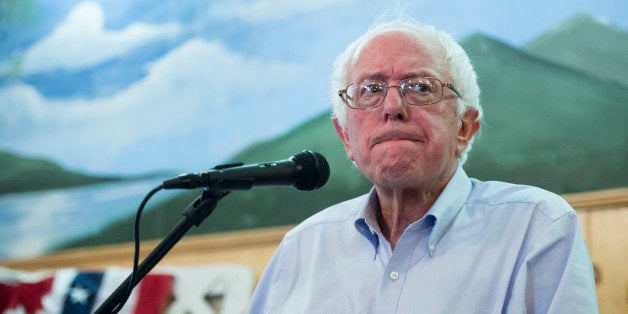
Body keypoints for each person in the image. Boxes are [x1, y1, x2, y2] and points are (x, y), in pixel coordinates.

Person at [247, 19, 598, 313]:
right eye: (370, 89)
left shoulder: (537, 228)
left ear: (464, 126)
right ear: (345, 138)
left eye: (419, 86)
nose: (393, 106)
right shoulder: (301, 249)